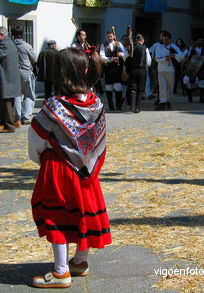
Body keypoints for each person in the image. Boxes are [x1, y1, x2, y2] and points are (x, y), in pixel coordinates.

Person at [28, 47, 111, 288]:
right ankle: (80, 262)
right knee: (83, 213)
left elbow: (36, 138)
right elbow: (100, 140)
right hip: (88, 171)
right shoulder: (97, 104)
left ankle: (61, 271)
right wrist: (91, 163)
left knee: (57, 215)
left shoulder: (53, 106)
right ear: (86, 70)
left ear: (59, 73)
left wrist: (39, 159)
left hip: (58, 169)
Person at [12, 25, 37, 126]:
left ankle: (17, 117)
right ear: (22, 34)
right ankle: (26, 118)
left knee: (16, 96)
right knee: (29, 95)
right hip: (26, 72)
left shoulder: (11, 45)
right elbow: (35, 59)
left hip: (13, 73)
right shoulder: (26, 46)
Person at [154, 31, 184, 110]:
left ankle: (168, 101)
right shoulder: (159, 47)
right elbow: (156, 59)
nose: (165, 41)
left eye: (166, 40)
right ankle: (162, 102)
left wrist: (174, 55)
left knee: (170, 87)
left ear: (170, 39)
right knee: (162, 87)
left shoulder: (174, 47)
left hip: (170, 70)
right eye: (163, 40)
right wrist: (165, 58)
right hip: (161, 70)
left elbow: (182, 56)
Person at [0, 26, 21, 133]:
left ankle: (9, 126)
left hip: (7, 80)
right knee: (8, 103)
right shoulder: (11, 43)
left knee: (7, 103)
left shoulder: (4, 44)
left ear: (1, 35)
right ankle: (8, 123)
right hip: (10, 79)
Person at [125, 34, 151, 113]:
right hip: (142, 70)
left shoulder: (132, 48)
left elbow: (124, 57)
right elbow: (149, 62)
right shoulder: (145, 48)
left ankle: (132, 106)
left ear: (136, 41)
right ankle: (137, 107)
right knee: (140, 90)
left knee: (133, 89)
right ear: (142, 40)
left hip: (133, 70)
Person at [99, 30, 125, 111]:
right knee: (108, 87)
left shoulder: (118, 44)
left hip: (117, 68)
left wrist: (120, 54)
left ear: (114, 36)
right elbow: (101, 56)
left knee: (118, 87)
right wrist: (111, 59)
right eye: (108, 36)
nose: (109, 38)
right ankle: (111, 106)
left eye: (111, 36)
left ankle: (119, 105)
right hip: (108, 68)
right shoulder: (103, 45)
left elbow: (125, 53)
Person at [184, 37, 204, 103]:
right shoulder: (190, 48)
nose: (200, 42)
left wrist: (203, 58)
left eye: (201, 40)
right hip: (192, 68)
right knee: (191, 82)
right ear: (195, 41)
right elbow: (183, 55)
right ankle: (190, 97)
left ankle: (201, 98)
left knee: (202, 82)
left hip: (201, 68)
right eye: (199, 40)